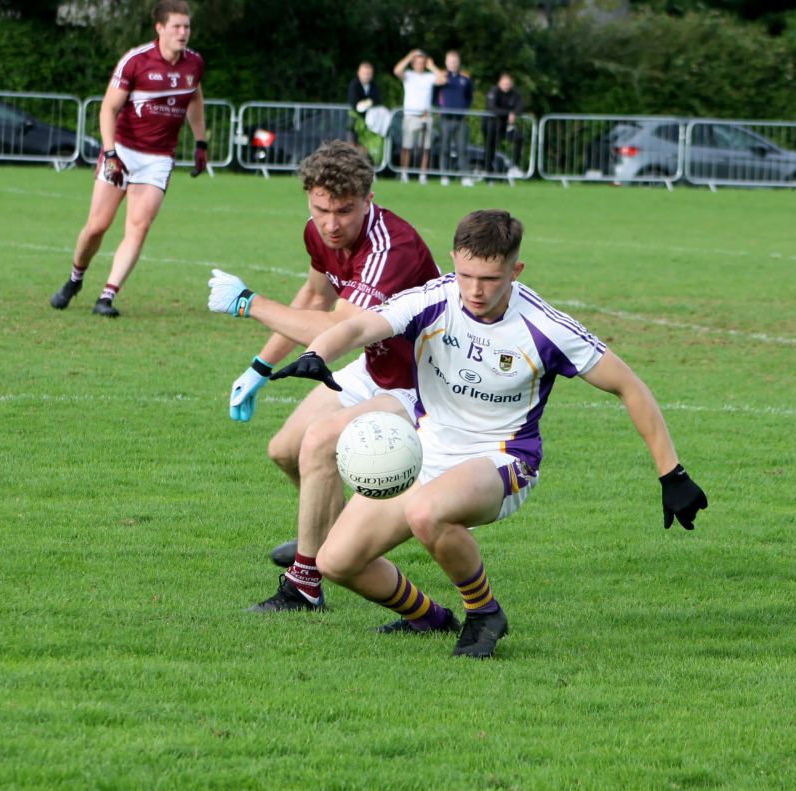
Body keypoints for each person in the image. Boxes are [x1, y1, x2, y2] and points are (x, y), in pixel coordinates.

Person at [268, 210, 708, 658]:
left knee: (426, 512)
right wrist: (319, 352)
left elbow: (629, 386)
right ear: (454, 261)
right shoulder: (434, 299)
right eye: (465, 274)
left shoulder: (544, 326)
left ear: (515, 271)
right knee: (336, 562)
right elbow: (363, 324)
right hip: (428, 450)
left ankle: (484, 612)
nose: (475, 290)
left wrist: (671, 473)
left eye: (491, 278)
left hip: (502, 460)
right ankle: (429, 618)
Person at [205, 140, 441, 612]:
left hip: (421, 384)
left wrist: (251, 304)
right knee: (284, 450)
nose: (331, 223)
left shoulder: (390, 248)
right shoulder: (319, 233)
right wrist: (259, 366)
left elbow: (339, 329)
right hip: (376, 366)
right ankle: (330, 543)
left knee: (317, 443)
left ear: (368, 199)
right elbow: (314, 298)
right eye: (320, 210)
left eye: (344, 211)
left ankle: (306, 582)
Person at [49, 0, 207, 318]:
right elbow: (108, 108)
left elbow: (195, 98)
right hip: (122, 150)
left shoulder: (194, 64)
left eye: (187, 26)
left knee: (139, 226)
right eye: (176, 26)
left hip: (159, 158)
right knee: (97, 226)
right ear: (159, 28)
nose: (183, 32)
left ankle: (107, 295)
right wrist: (110, 154)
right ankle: (75, 278)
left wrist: (200, 141)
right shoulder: (136, 60)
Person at [393, 49, 443, 183]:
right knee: (407, 146)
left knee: (426, 147)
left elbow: (443, 79)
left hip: (426, 115)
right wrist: (410, 56)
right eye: (418, 63)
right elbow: (397, 70)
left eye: (422, 63)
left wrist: (431, 66)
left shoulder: (429, 76)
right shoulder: (408, 75)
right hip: (411, 115)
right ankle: (404, 173)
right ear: (413, 64)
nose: (420, 65)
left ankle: (423, 175)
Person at [435, 50, 473, 182]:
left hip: (460, 118)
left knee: (462, 148)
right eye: (450, 61)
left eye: (455, 61)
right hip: (445, 118)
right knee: (444, 147)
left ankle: (464, 175)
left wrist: (464, 109)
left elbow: (469, 97)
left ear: (459, 62)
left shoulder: (465, 79)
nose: (453, 64)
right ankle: (444, 175)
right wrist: (439, 108)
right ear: (446, 62)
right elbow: (434, 96)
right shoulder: (442, 78)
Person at [483, 73, 524, 178]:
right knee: (490, 147)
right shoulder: (494, 91)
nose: (506, 86)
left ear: (511, 84)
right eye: (504, 84)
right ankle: (488, 172)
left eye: (508, 84)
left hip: (505, 126)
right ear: (499, 83)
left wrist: (514, 113)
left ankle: (514, 167)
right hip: (491, 124)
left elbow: (520, 107)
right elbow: (492, 108)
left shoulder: (515, 93)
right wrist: (509, 113)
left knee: (519, 138)